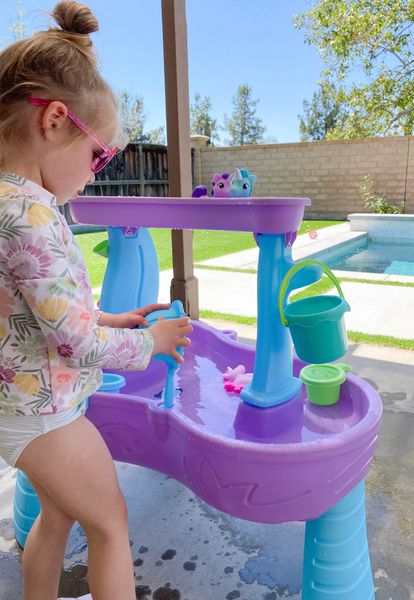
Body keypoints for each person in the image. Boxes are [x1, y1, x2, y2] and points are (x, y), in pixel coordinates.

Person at [0, 2, 193, 599]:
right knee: (110, 524)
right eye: (98, 155)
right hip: (42, 414)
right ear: (55, 120)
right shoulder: (32, 212)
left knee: (58, 514)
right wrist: (148, 342)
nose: (96, 174)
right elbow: (75, 340)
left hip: (20, 400)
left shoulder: (9, 202)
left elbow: (35, 309)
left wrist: (111, 315)